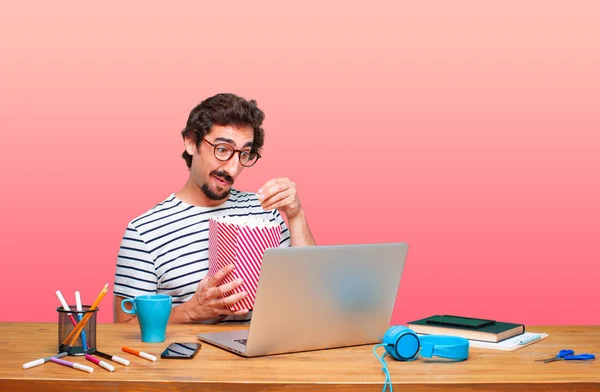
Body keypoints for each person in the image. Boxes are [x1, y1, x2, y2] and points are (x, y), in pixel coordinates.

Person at [113, 93, 316, 324]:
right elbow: (124, 327)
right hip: (191, 358)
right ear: (191, 142)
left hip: (264, 354)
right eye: (222, 149)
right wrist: (190, 311)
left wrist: (296, 215)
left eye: (244, 154)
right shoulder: (144, 231)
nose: (232, 167)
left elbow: (310, 292)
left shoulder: (264, 212)